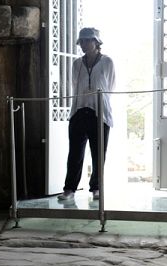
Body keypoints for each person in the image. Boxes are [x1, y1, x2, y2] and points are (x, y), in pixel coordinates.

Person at [57, 27, 116, 202]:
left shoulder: (107, 62)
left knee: (99, 153)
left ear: (96, 42)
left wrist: (98, 102)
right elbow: (75, 86)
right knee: (74, 153)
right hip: (79, 111)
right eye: (81, 41)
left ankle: (96, 188)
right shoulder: (77, 64)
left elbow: (111, 86)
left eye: (86, 40)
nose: (82, 44)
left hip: (100, 113)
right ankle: (69, 189)